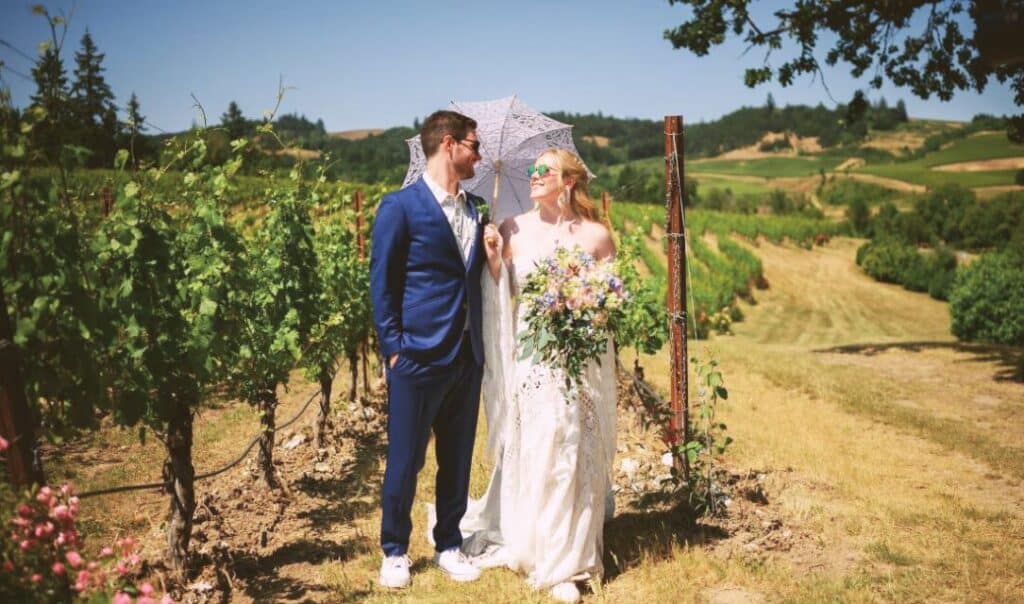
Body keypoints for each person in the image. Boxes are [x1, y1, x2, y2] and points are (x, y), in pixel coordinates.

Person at [468, 147, 618, 603]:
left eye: (543, 171)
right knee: (543, 443)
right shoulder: (513, 227)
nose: (533, 177)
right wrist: (494, 260)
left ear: (568, 181)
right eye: (532, 171)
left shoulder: (596, 236)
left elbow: (610, 302)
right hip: (532, 360)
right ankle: (541, 548)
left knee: (573, 447)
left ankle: (567, 563)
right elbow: (502, 291)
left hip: (579, 360)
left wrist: (583, 308)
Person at [369, 110, 487, 589]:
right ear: (447, 144)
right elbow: (382, 284)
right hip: (416, 356)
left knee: (457, 458)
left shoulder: (478, 209)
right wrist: (394, 348)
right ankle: (395, 549)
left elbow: (471, 278)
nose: (479, 155)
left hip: (466, 354)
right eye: (474, 146)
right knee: (405, 459)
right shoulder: (399, 206)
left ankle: (449, 543)